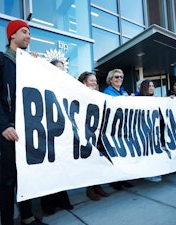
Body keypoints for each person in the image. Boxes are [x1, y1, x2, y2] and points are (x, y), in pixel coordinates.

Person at [0, 19, 48, 225]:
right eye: (24, 32)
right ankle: (7, 221)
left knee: (26, 174)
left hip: (29, 126)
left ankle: (28, 217)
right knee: (9, 177)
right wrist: (3, 125)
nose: (28, 36)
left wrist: (37, 65)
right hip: (9, 128)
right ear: (12, 35)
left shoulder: (28, 62)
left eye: (29, 33)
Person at [39, 59, 73, 214]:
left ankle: (62, 200)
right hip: (46, 130)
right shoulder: (42, 83)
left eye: (62, 68)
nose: (61, 70)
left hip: (61, 130)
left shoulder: (65, 86)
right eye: (58, 68)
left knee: (61, 168)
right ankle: (48, 203)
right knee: (47, 167)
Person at [77, 71, 110, 201]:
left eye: (95, 80)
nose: (95, 83)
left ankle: (98, 185)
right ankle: (90, 189)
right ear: (84, 82)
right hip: (85, 132)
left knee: (98, 160)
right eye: (91, 80)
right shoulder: (78, 94)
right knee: (88, 161)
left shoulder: (98, 95)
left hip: (97, 132)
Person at [102, 69, 133, 190]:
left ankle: (123, 178)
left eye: (121, 77)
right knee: (114, 155)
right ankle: (115, 181)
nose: (119, 79)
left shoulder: (124, 91)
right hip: (113, 129)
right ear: (110, 79)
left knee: (123, 154)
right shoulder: (107, 92)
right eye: (116, 77)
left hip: (124, 128)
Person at [137, 80, 162, 182]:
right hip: (143, 130)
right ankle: (147, 173)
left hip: (154, 130)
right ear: (144, 87)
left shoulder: (156, 99)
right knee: (146, 152)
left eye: (153, 86)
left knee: (154, 151)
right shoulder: (138, 99)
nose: (152, 88)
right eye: (149, 86)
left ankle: (154, 172)